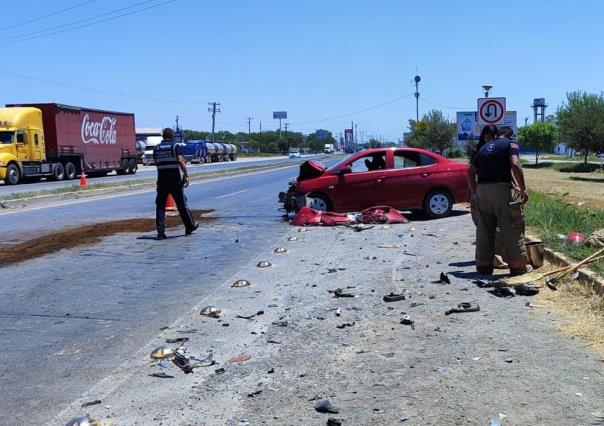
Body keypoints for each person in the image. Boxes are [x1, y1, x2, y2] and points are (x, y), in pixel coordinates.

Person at [466, 126, 529, 276]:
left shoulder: (483, 148)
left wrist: (474, 193)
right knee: (511, 228)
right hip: (501, 191)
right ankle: (518, 266)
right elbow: (514, 164)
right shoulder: (510, 144)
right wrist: (523, 188)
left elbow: (469, 171)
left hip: (482, 192)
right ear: (510, 136)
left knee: (484, 230)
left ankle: (483, 266)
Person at [153, 128, 198, 240]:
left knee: (160, 206)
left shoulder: (156, 149)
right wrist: (186, 175)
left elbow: (156, 163)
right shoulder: (174, 146)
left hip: (162, 180)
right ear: (172, 136)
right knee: (181, 204)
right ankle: (190, 226)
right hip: (174, 180)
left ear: (163, 136)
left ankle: (160, 233)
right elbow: (180, 161)